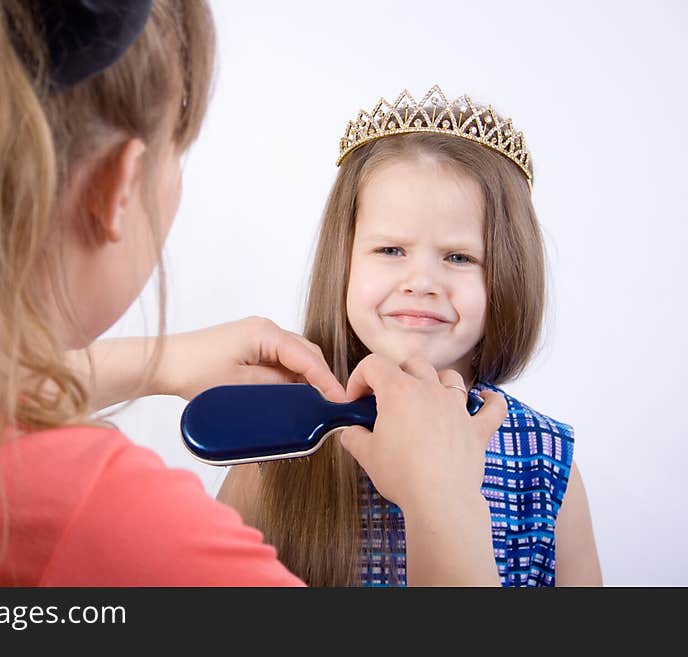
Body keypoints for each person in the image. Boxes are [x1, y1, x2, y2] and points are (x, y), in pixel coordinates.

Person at [0, 2, 504, 587]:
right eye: (182, 151)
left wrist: (151, 362)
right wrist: (449, 508)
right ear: (118, 186)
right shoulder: (125, 530)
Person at [219, 86, 603, 587]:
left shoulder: (546, 463)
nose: (421, 282)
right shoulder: (281, 447)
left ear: (508, 275)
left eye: (459, 257)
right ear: (345, 260)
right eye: (391, 249)